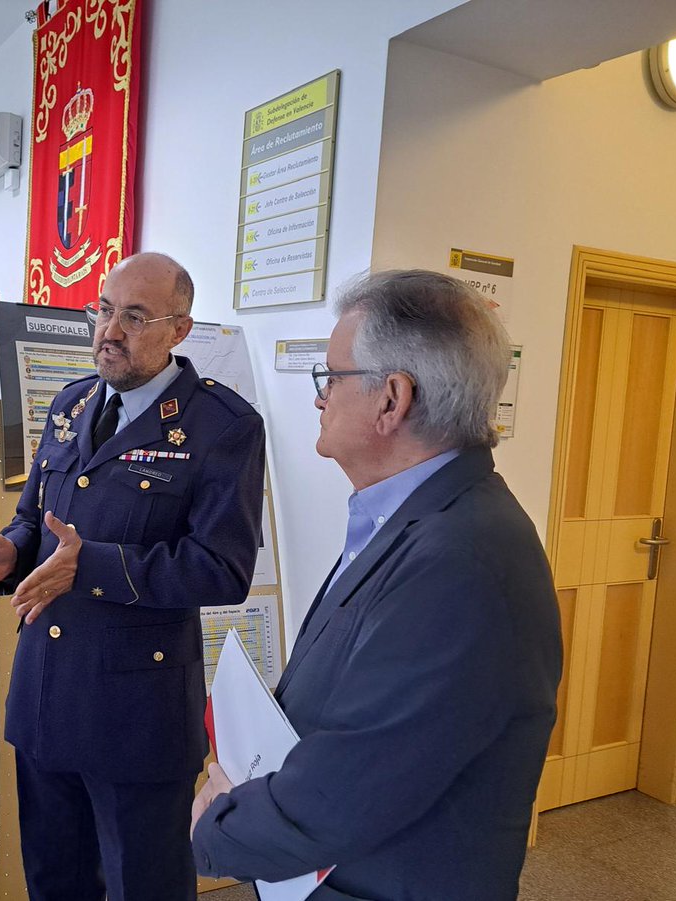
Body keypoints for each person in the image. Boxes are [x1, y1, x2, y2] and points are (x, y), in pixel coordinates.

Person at [190, 270, 562, 901]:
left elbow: (352, 787)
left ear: (392, 399)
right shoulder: (417, 517)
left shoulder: (460, 558)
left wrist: (218, 827)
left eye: (331, 377)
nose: (319, 397)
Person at [0, 252, 266, 901]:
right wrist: (9, 554)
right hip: (44, 702)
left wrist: (89, 566)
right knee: (55, 882)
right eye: (104, 309)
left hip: (135, 718)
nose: (109, 330)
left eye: (135, 316)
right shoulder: (70, 404)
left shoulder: (221, 427)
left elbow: (221, 568)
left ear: (179, 329)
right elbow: (34, 520)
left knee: (143, 886)